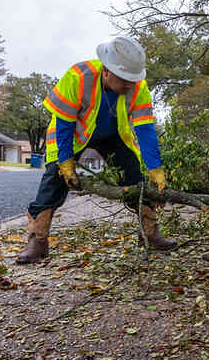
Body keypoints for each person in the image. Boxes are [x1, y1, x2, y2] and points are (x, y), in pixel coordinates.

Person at [17, 36, 176, 264]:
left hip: (113, 137)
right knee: (53, 181)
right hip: (72, 136)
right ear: (108, 71)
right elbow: (63, 125)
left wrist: (155, 169)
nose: (129, 85)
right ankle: (37, 241)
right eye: (124, 80)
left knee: (134, 178)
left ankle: (150, 233)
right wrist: (65, 162)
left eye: (133, 80)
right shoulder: (78, 77)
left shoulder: (137, 87)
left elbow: (146, 129)